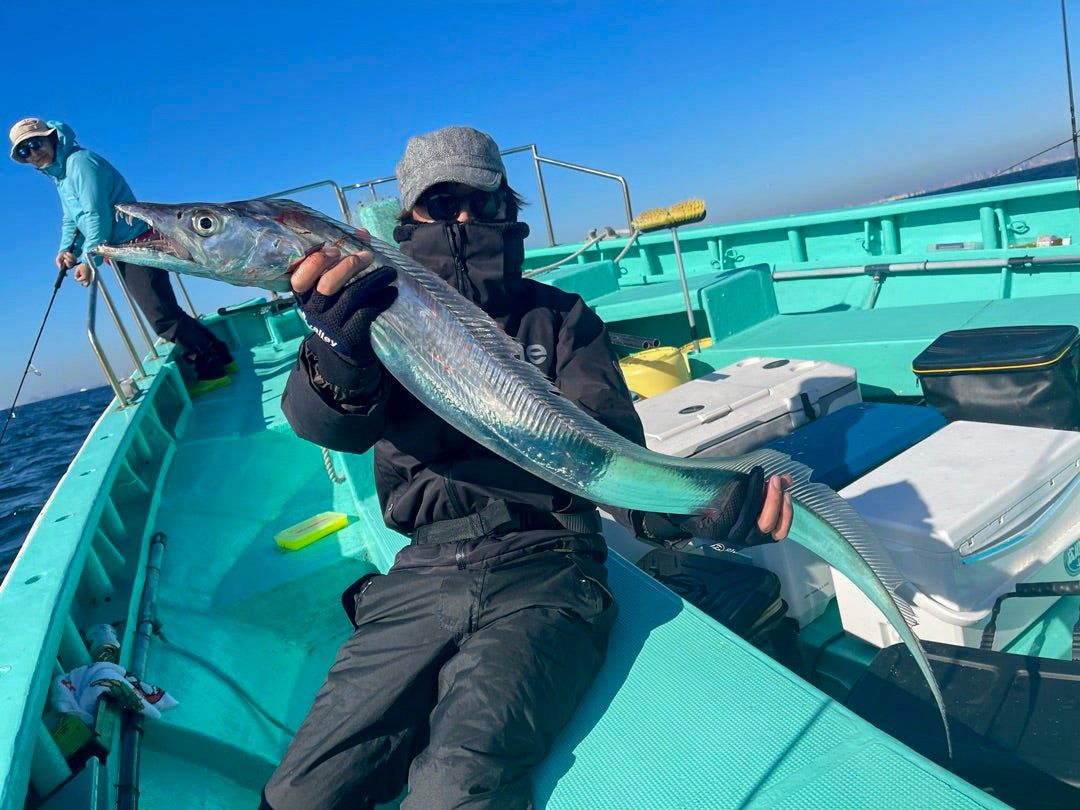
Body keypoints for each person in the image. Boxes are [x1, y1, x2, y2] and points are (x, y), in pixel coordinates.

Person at [263, 125, 793, 810]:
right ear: (408, 216)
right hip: (421, 573)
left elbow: (608, 452)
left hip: (550, 564)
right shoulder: (369, 308)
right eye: (441, 201)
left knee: (455, 787)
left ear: (507, 210)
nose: (462, 217)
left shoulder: (561, 319)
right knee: (299, 793)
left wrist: (691, 511)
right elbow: (329, 427)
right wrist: (335, 352)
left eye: (482, 201)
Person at [8, 117, 234, 395]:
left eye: (35, 143)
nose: (32, 152)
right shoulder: (62, 175)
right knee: (167, 311)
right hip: (123, 248)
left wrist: (89, 261)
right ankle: (223, 357)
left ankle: (212, 372)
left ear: (52, 137)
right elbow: (72, 217)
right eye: (24, 151)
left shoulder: (80, 163)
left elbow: (96, 214)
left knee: (162, 318)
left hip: (137, 245)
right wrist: (66, 249)